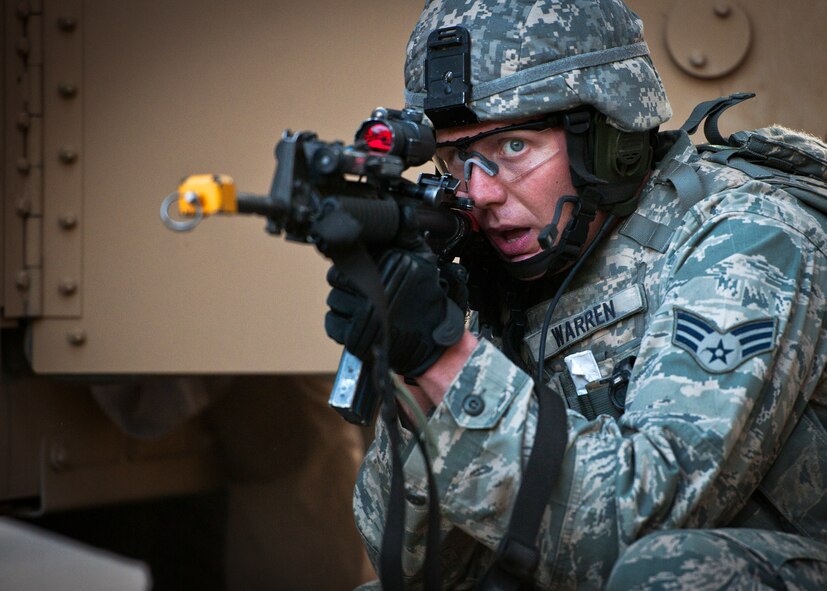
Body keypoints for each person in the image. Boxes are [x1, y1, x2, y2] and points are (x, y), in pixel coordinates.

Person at [324, 0, 827, 588]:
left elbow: (641, 527)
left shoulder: (747, 235)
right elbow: (411, 566)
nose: (477, 192)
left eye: (511, 147)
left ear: (611, 138)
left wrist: (449, 362)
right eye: (457, 157)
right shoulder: (490, 272)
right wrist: (420, 377)